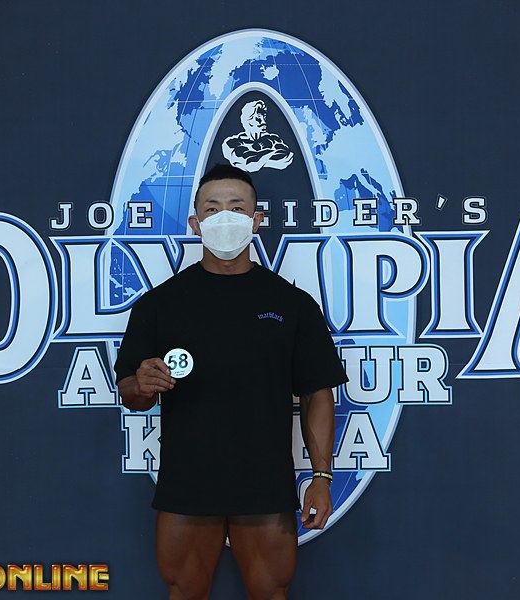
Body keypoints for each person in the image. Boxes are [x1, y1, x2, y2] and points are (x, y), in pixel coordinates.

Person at [114, 164, 347, 600]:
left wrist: (321, 476)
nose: (225, 217)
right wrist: (141, 385)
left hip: (264, 483)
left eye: (237, 208)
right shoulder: (158, 305)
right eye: (212, 208)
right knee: (184, 590)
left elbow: (318, 392)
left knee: (271, 591)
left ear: (256, 221)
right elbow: (131, 391)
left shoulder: (292, 304)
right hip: (187, 482)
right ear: (195, 223)